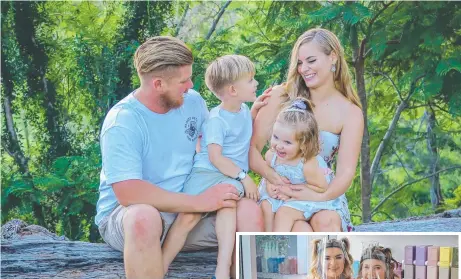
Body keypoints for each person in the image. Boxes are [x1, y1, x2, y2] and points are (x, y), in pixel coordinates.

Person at [95, 36, 264, 279]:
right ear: (158, 84)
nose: (191, 85)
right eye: (184, 81)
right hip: (131, 218)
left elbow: (214, 143)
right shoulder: (123, 121)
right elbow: (128, 194)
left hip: (188, 210)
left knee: (249, 211)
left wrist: (255, 112)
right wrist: (199, 203)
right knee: (145, 217)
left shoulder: (192, 102)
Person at [250, 28, 364, 232]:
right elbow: (252, 149)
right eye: (300, 63)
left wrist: (319, 196)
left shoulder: (350, 112)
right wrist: (276, 180)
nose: (304, 69)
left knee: (326, 222)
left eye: (311, 61)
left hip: (321, 192)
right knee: (298, 228)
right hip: (278, 192)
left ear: (333, 57)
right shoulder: (280, 97)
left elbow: (346, 172)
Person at [161, 55, 259, 279]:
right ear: (233, 90)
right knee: (189, 217)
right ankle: (161, 265)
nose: (256, 84)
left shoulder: (244, 110)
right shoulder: (216, 119)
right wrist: (244, 177)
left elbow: (242, 132)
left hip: (227, 176)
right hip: (208, 172)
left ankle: (222, 268)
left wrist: (257, 109)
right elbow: (215, 157)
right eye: (251, 79)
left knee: (228, 203)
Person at [259, 97, 334, 232]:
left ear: (303, 144)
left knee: (284, 213)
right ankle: (268, 238)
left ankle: (279, 241)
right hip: (281, 194)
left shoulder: (307, 163)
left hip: (306, 199)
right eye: (276, 137)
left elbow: (321, 188)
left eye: (287, 142)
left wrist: (290, 191)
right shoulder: (271, 155)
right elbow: (267, 174)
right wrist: (270, 185)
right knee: (266, 205)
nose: (279, 146)